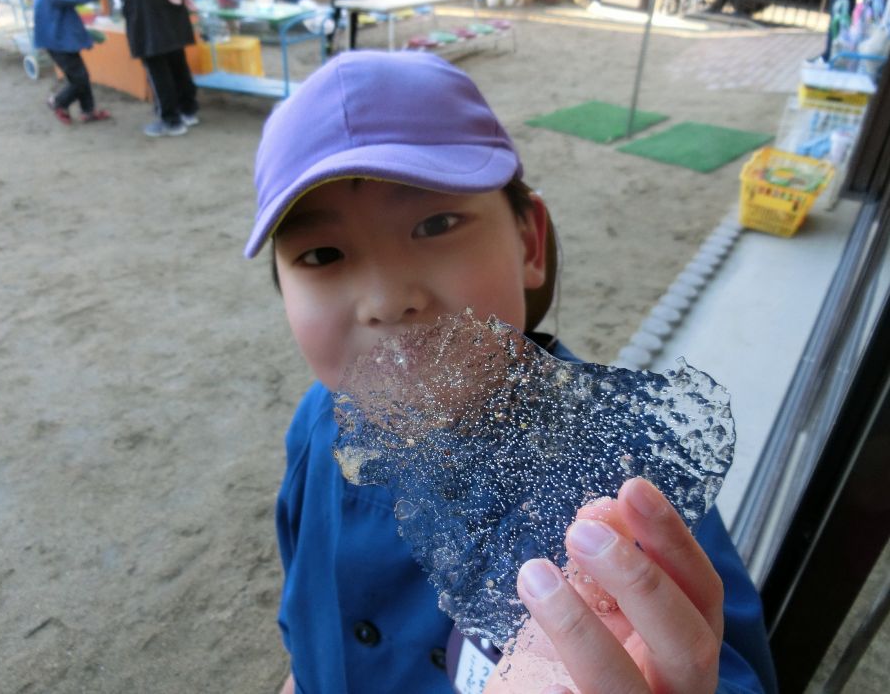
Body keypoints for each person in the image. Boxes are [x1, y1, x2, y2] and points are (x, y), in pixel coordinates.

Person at [245, 51, 779, 694]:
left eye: (435, 223)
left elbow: (723, 666)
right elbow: (306, 620)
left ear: (528, 242)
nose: (386, 299)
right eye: (322, 254)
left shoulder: (629, 479)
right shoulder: (316, 425)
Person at [117, 0, 199, 138]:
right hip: (170, 1)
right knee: (176, 57)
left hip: (146, 6)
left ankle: (170, 119)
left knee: (156, 63)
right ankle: (188, 109)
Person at [26, 0, 114, 125]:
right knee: (79, 79)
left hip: (60, 42)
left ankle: (88, 110)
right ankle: (59, 101)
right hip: (59, 44)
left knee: (79, 76)